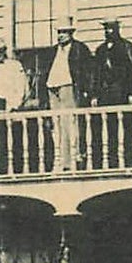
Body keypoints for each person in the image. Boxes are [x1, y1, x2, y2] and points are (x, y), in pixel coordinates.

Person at [42, 22, 94, 170]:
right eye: (59, 32)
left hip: (70, 87)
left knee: (71, 124)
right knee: (57, 125)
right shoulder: (53, 51)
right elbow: (45, 71)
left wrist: (87, 91)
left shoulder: (79, 49)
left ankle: (73, 159)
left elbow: (88, 71)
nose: (60, 35)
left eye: (64, 32)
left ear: (71, 33)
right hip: (53, 88)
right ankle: (60, 160)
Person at [92, 20, 132, 166]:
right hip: (105, 97)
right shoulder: (100, 50)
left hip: (122, 95)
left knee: (127, 129)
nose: (109, 32)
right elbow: (96, 75)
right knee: (108, 130)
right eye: (106, 29)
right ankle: (111, 160)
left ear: (117, 29)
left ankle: (129, 160)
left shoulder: (126, 47)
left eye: (112, 29)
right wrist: (95, 95)